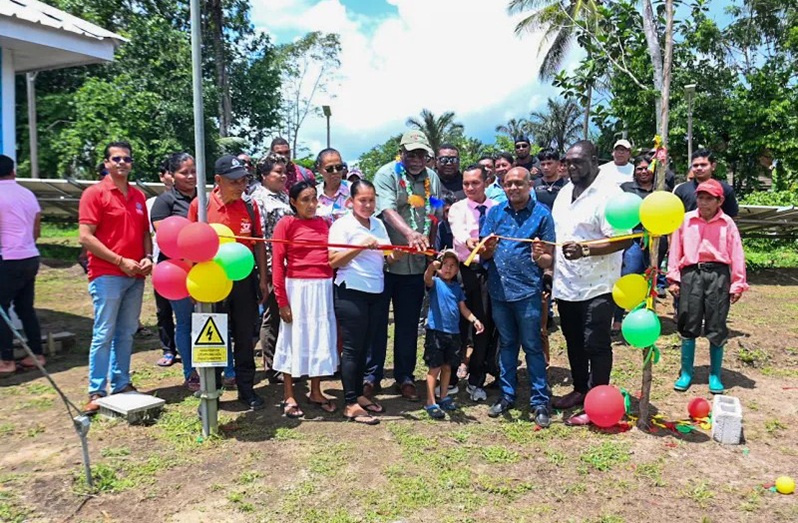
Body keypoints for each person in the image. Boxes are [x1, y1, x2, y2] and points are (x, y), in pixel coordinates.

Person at [551, 141, 632, 425]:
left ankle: (597, 401)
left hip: (598, 285)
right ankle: (579, 389)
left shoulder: (610, 194)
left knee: (595, 343)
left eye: (578, 162)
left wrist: (586, 249)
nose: (572, 167)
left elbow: (624, 238)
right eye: (568, 162)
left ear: (594, 160)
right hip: (566, 284)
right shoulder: (563, 193)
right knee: (573, 341)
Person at [469, 167, 555, 427]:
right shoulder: (495, 213)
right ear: (503, 186)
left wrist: (540, 256)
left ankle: (540, 400)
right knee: (506, 345)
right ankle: (507, 395)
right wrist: (487, 249)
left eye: (519, 183)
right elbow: (484, 253)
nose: (514, 188)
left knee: (531, 346)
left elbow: (549, 258)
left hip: (528, 292)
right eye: (508, 184)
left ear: (529, 185)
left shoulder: (542, 215)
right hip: (499, 292)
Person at [188, 155, 269, 410]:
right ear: (218, 181)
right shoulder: (200, 206)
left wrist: (263, 280)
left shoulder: (249, 207)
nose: (240, 186)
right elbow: (189, 245)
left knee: (245, 337)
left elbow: (258, 244)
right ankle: (213, 392)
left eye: (243, 180)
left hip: (244, 282)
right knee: (213, 339)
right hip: (212, 282)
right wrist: (194, 283)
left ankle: (247, 390)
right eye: (234, 181)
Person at [367, 130, 442, 401]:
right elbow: (386, 211)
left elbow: (434, 215)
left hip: (415, 267)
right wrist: (410, 234)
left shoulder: (431, 178)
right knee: (376, 324)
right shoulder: (386, 174)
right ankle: (371, 377)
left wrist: (431, 255)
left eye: (421, 154)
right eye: (411, 154)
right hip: (385, 265)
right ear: (402, 153)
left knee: (408, 325)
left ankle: (405, 377)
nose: (416, 159)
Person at [78, 142, 153, 413]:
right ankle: (96, 390)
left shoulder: (138, 196)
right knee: (104, 332)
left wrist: (147, 256)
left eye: (127, 159)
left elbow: (145, 232)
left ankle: (121, 382)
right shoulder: (94, 194)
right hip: (107, 274)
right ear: (107, 163)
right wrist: (120, 261)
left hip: (136, 274)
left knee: (126, 331)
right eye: (116, 158)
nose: (122, 162)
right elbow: (85, 237)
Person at [329, 180, 404, 424]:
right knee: (352, 348)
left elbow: (385, 257)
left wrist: (395, 255)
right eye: (362, 200)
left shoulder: (379, 224)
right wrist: (359, 246)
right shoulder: (342, 225)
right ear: (351, 201)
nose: (368, 204)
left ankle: (360, 395)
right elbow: (333, 261)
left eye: (371, 200)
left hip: (376, 290)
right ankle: (350, 403)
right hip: (351, 290)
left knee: (366, 346)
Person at [668, 179, 748, 394]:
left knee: (717, 321)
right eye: (700, 198)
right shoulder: (685, 220)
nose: (703, 203)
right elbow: (676, 248)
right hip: (691, 273)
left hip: (718, 275)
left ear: (719, 200)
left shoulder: (727, 223)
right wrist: (674, 277)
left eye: (709, 199)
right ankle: (686, 373)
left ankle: (715, 374)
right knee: (688, 320)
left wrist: (738, 282)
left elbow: (737, 253)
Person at [272, 181, 339, 417]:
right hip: (297, 288)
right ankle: (289, 394)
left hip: (322, 287)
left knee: (319, 337)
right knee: (293, 338)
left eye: (314, 199)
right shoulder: (286, 224)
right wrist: (282, 301)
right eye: (305, 200)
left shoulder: (325, 223)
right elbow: (278, 265)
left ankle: (316, 390)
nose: (311, 205)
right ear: (293, 202)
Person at [150, 153, 205, 390]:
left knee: (206, 320)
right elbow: (166, 239)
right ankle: (190, 371)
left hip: (204, 270)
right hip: (177, 272)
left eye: (194, 170)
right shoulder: (165, 202)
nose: (191, 176)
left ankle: (213, 367)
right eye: (184, 172)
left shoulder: (204, 199)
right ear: (172, 175)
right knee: (184, 321)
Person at [447, 164, 499, 402]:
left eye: (475, 183)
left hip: (487, 272)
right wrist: (469, 240)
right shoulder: (457, 208)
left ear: (486, 182)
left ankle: (476, 379)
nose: (469, 187)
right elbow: (458, 232)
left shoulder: (497, 208)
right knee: (457, 324)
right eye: (466, 183)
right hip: (462, 271)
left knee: (482, 324)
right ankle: (450, 378)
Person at [422, 250, 484, 419]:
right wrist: (430, 268)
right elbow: (427, 278)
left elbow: (463, 308)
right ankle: (430, 401)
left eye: (452, 266)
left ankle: (443, 397)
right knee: (434, 368)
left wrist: (474, 320)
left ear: (457, 270)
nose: (448, 269)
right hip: (436, 332)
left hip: (454, 334)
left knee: (448, 367)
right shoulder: (434, 282)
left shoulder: (457, 288)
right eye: (444, 265)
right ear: (438, 267)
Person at [0, 155, 44, 376]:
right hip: (30, 256)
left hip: (7, 258)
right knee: (25, 308)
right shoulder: (27, 194)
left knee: (1, 310)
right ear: (13, 172)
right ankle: (37, 354)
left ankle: (5, 359)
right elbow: (36, 230)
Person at [612, 155, 667, 331]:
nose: (643, 172)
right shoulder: (626, 188)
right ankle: (618, 318)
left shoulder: (662, 188)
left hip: (657, 238)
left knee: (650, 277)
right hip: (634, 238)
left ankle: (646, 316)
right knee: (628, 274)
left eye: (646, 168)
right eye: (639, 168)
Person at [250, 154, 292, 384]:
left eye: (284, 171)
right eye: (277, 172)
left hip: (287, 263)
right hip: (269, 264)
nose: (283, 175)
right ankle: (271, 365)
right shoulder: (258, 198)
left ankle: (281, 361)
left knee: (281, 314)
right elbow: (261, 236)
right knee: (271, 315)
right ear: (264, 175)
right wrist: (266, 272)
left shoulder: (284, 196)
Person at [148, 158, 178, 367]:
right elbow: (146, 235)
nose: (170, 176)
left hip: (185, 265)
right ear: (162, 176)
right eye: (168, 172)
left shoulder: (194, 200)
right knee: (163, 309)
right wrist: (150, 260)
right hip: (162, 263)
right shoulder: (153, 203)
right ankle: (168, 349)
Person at [674, 149, 739, 218]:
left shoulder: (726, 190)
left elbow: (731, 217)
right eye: (695, 165)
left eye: (703, 165)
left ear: (713, 166)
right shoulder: (681, 190)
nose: (699, 168)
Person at [315, 148, 351, 221]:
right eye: (329, 168)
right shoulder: (314, 194)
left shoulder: (354, 190)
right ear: (319, 169)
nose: (335, 171)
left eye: (339, 167)